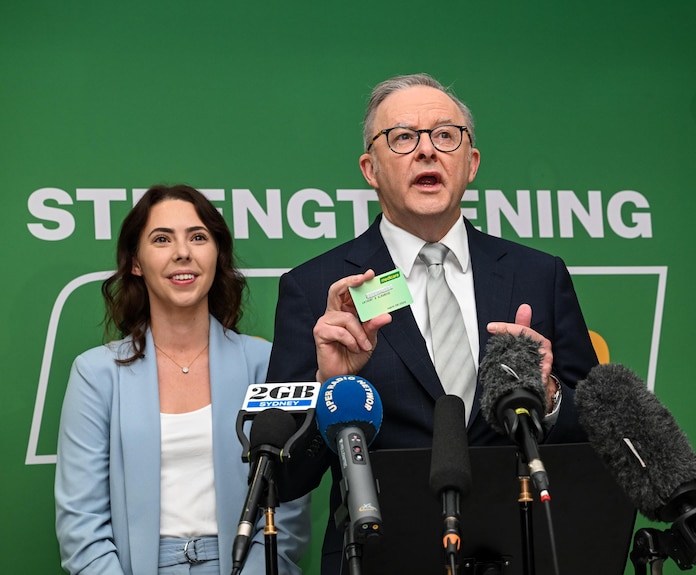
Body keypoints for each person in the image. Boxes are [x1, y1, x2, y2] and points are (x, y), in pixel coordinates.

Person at [266, 73, 598, 573]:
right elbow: (285, 477)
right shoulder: (317, 289)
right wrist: (328, 388)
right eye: (403, 137)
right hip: (379, 557)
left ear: (472, 162)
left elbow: (597, 434)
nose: (427, 150)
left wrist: (549, 396)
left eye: (445, 135)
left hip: (518, 552)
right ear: (370, 169)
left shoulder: (537, 276)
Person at [55, 184, 311, 575]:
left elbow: (287, 507)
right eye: (161, 239)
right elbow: (81, 524)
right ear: (136, 262)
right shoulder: (96, 374)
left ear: (217, 255)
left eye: (198, 237)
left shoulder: (264, 364)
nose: (182, 252)